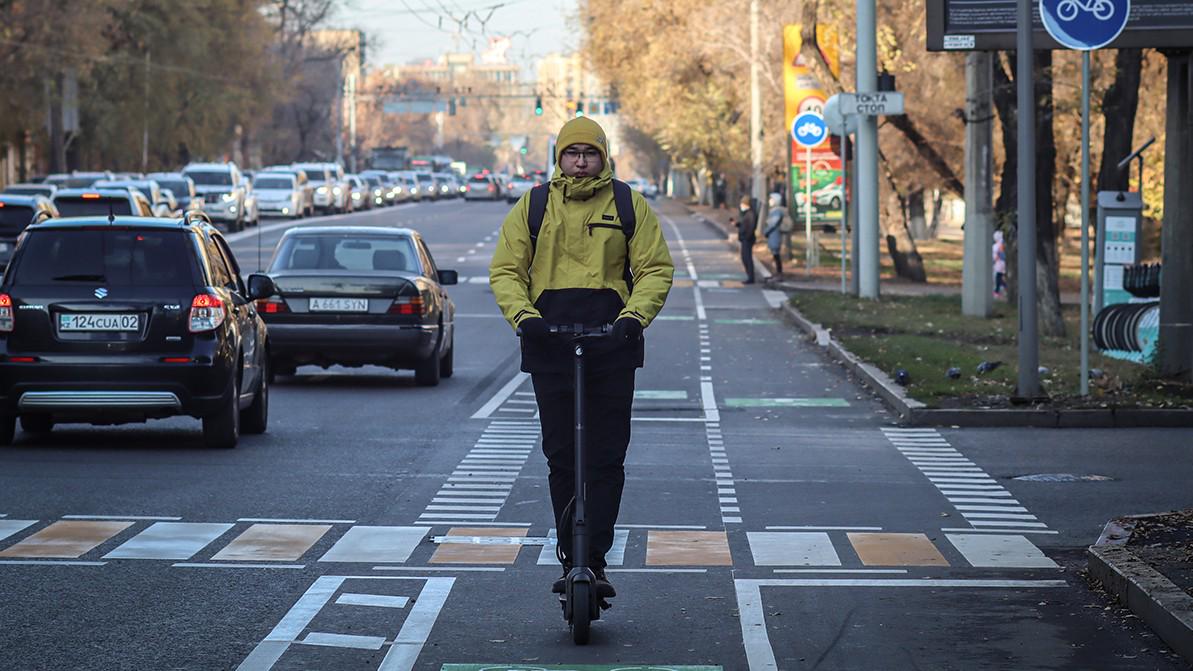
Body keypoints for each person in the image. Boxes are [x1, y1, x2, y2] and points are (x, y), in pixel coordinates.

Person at [489, 116, 674, 600]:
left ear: (603, 155)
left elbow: (655, 268)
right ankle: (572, 557)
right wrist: (524, 317)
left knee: (607, 457)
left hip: (612, 344)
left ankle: (596, 559)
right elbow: (506, 270)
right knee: (562, 457)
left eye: (589, 153)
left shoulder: (628, 203)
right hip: (549, 343)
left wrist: (634, 317)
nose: (580, 161)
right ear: (559, 157)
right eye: (572, 153)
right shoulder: (533, 205)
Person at [729, 195, 757, 284]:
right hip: (744, 238)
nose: (741, 206)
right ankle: (749, 276)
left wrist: (746, 237)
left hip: (747, 239)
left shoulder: (751, 214)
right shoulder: (747, 214)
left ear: (746, 204)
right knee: (745, 257)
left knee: (747, 258)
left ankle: (751, 277)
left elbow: (751, 227)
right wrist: (736, 224)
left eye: (742, 204)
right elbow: (743, 224)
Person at [763, 193, 785, 279]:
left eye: (771, 199)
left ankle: (779, 272)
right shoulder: (773, 210)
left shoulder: (777, 211)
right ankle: (776, 272)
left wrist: (766, 231)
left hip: (775, 235)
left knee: (776, 255)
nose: (769, 201)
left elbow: (773, 223)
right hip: (772, 235)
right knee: (774, 254)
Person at [992, 230, 1007, 298]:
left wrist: (995, 260)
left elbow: (1000, 253)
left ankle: (997, 291)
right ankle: (1004, 288)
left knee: (998, 277)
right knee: (999, 277)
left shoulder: (999, 244)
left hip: (999, 263)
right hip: (999, 263)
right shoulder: (1000, 243)